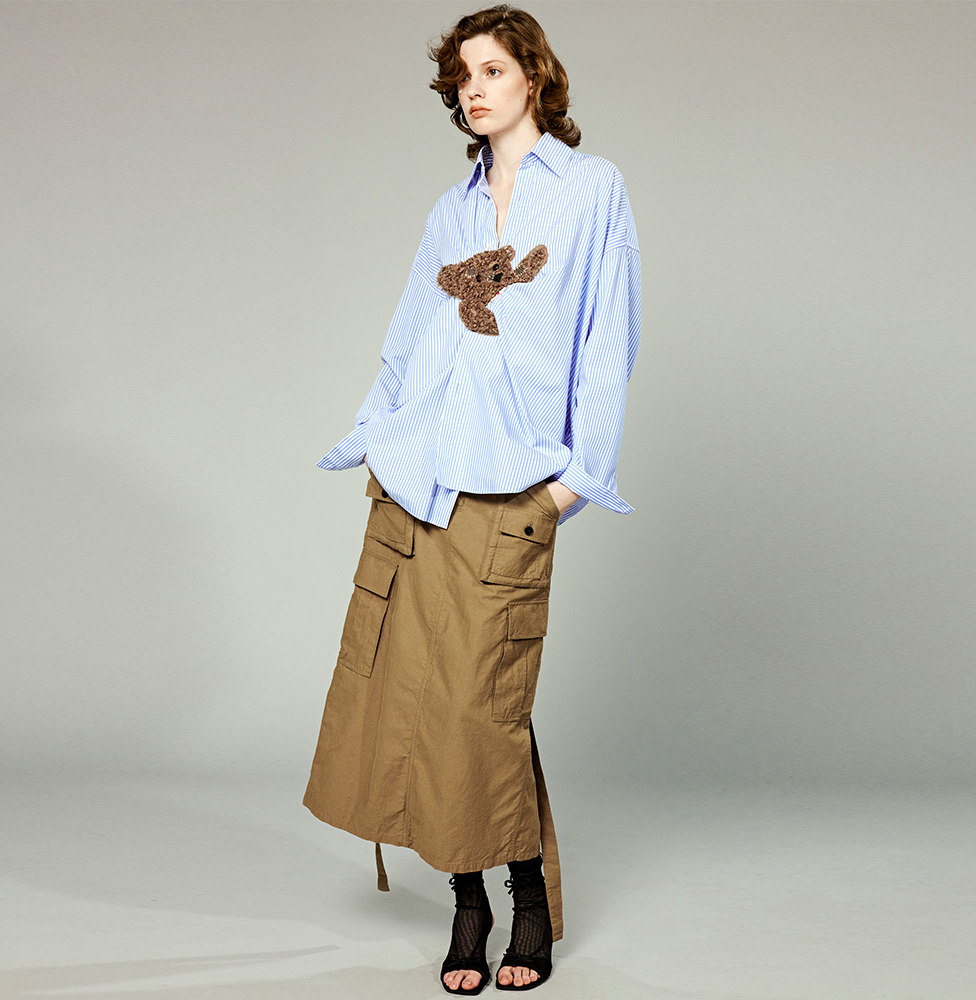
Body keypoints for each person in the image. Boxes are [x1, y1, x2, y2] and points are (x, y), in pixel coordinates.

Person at [303, 4, 640, 993]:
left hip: (509, 489)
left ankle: (527, 894)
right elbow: (409, 340)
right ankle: (470, 903)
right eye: (461, 74)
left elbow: (606, 340)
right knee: (414, 694)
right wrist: (372, 441)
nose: (473, 87)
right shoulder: (448, 211)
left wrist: (574, 482)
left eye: (491, 68)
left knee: (480, 705)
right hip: (418, 483)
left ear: (534, 76)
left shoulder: (591, 190)